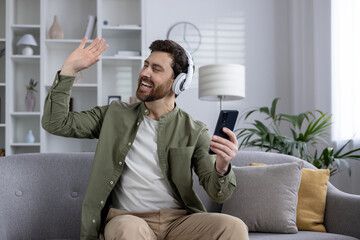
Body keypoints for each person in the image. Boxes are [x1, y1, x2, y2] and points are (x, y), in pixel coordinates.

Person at [42, 37, 248, 240]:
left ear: (178, 83)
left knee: (233, 227)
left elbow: (218, 194)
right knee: (129, 230)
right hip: (128, 219)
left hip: (178, 222)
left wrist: (222, 167)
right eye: (145, 65)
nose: (144, 73)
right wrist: (69, 70)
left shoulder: (194, 131)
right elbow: (56, 122)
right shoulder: (113, 114)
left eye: (156, 69)